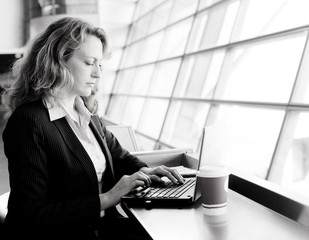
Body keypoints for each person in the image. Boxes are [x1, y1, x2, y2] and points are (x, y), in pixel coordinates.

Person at [1, 17, 184, 240]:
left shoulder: (85, 109)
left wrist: (144, 170)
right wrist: (108, 197)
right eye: (89, 63)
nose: (98, 73)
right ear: (59, 60)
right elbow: (32, 214)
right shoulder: (29, 121)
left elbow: (119, 156)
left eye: (100, 64)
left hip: (99, 228)